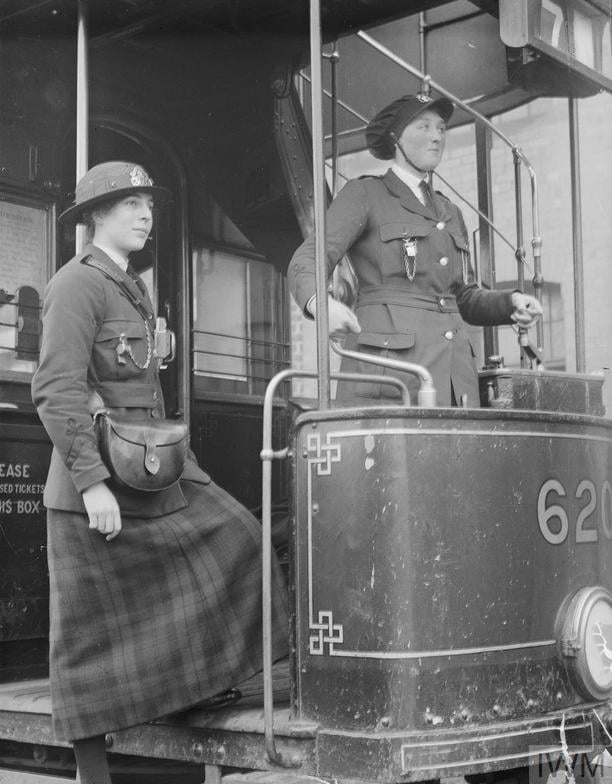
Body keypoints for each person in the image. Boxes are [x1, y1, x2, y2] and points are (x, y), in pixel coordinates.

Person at [31, 161, 288, 784]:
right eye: (129, 204)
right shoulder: (76, 285)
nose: (146, 214)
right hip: (94, 485)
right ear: (95, 218)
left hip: (152, 471)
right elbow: (55, 389)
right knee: (89, 647)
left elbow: (144, 395)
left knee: (239, 539)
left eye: (148, 203)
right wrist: (92, 484)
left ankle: (191, 694)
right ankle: (94, 776)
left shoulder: (132, 286)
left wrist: (186, 472)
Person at [288, 93, 543, 407]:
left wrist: (510, 302)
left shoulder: (450, 211)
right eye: (423, 127)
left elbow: (463, 297)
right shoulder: (365, 194)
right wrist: (321, 305)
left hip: (453, 380)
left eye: (441, 128)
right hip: (392, 380)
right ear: (396, 138)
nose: (436, 136)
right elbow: (307, 258)